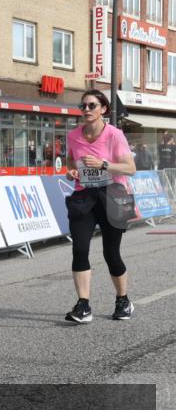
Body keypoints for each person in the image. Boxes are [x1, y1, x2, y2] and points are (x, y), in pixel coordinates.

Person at [63, 89, 137, 324]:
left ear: (103, 109)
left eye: (92, 105)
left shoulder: (114, 135)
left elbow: (130, 168)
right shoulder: (73, 135)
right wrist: (71, 171)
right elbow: (70, 160)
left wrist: (103, 164)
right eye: (83, 106)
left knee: (111, 253)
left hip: (112, 196)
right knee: (79, 249)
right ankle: (83, 305)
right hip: (84, 197)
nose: (86, 110)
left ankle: (123, 299)